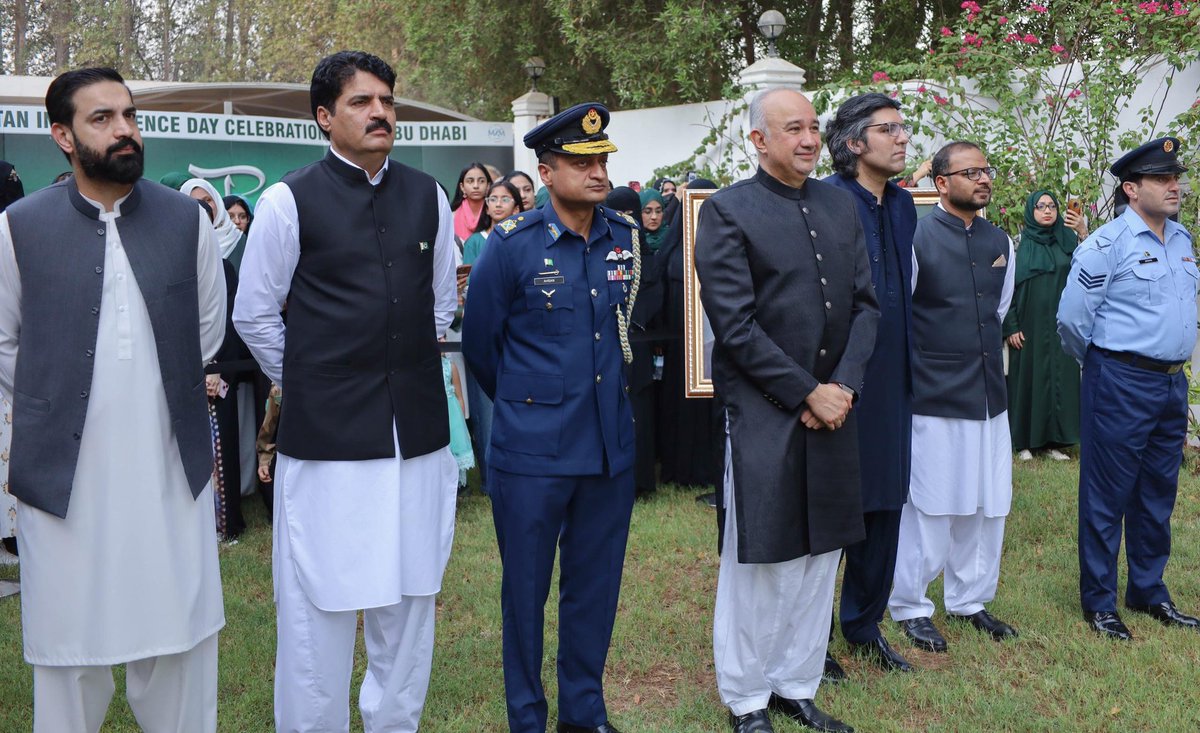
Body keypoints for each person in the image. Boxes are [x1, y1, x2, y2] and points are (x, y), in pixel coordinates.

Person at [233, 51, 459, 733]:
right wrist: (311, 381)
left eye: (387, 100)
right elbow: (254, 313)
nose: (381, 112)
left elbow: (441, 306)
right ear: (325, 116)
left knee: (411, 600)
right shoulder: (286, 200)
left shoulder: (429, 196)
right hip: (327, 444)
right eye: (362, 102)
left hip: (416, 438)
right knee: (317, 612)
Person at [0, 66, 225, 732]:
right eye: (102, 119)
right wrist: (64, 398)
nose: (124, 130)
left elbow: (207, 330)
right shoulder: (18, 228)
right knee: (69, 659)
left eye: (128, 114)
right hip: (67, 486)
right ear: (62, 136)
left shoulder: (187, 221)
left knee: (181, 647)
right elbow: (4, 342)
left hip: (166, 476)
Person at [695, 87, 878, 733]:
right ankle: (747, 698)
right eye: (791, 128)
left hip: (835, 407)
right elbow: (736, 326)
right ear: (758, 140)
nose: (807, 138)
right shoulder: (726, 211)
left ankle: (796, 683)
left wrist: (843, 387)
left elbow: (866, 305)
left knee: (818, 555)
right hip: (765, 412)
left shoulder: (838, 204)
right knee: (763, 560)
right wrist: (808, 392)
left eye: (812, 127)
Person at [463, 101, 639, 733]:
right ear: (545, 170)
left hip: (605, 450)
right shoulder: (512, 246)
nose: (596, 172)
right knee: (526, 594)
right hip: (533, 451)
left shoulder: (623, 236)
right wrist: (528, 404)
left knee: (594, 589)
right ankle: (528, 718)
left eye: (601, 160)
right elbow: (483, 347)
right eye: (580, 161)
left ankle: (583, 712)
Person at [1057, 137, 1198, 641]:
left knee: (1158, 493)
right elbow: (1072, 320)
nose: (1174, 186)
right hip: (1119, 380)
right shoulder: (1106, 244)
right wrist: (1102, 367)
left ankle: (1148, 590)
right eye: (1162, 179)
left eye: (1175, 177)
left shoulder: (1181, 240)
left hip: (1169, 383)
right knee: (1106, 494)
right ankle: (1099, 602)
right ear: (1132, 189)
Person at [888, 141, 1019, 655]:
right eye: (971, 172)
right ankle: (910, 605)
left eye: (987, 170)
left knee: (988, 503)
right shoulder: (916, 237)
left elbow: (1000, 311)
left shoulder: (1001, 239)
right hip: (935, 395)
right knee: (932, 506)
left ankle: (970, 599)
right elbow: (902, 317)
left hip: (990, 395)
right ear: (941, 183)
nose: (983, 179)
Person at [823, 92, 918, 676]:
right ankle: (809, 637)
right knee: (833, 508)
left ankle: (864, 624)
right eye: (889, 129)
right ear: (855, 144)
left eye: (904, 128)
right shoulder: (826, 203)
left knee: (886, 503)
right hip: (839, 379)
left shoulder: (905, 205)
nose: (903, 138)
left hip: (894, 379)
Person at [1004, 190, 1086, 462]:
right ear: (1031, 211)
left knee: (1059, 380)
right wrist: (1011, 325)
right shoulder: (1019, 245)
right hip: (1028, 324)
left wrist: (1083, 232)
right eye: (1040, 206)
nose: (1047, 210)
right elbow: (1006, 290)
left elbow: (1089, 268)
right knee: (1028, 379)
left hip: (1061, 325)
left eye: (1052, 206)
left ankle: (1055, 442)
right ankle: (1024, 441)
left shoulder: (1067, 241)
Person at [451, 161, 493, 243]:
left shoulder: (495, 214)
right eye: (470, 181)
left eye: (481, 181)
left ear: (488, 186)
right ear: (462, 187)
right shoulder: (452, 217)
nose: (476, 186)